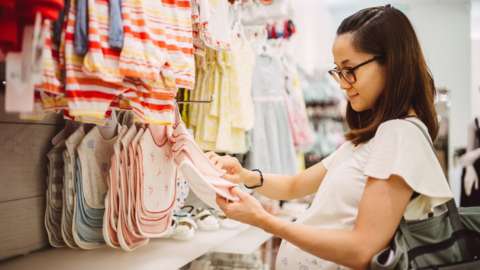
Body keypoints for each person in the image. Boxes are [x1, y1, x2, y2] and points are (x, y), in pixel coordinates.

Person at [206, 4, 453, 270]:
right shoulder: (376, 137)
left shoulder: (400, 135)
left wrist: (264, 221)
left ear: (390, 63)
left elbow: (362, 249)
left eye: (350, 70)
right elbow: (296, 185)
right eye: (338, 71)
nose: (342, 83)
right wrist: (245, 176)